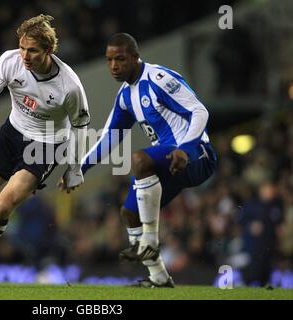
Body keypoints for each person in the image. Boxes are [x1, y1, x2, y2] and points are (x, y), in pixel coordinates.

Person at [0, 14, 90, 287]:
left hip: (46, 145)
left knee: (3, 204)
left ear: (48, 50)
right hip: (11, 134)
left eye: (32, 50)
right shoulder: (9, 62)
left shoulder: (69, 86)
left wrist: (75, 168)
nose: (25, 55)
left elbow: (81, 126)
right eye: (22, 47)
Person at [62, 33, 217, 287]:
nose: (114, 66)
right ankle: (158, 278)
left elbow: (200, 111)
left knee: (139, 160)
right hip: (171, 165)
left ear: (135, 57)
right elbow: (110, 139)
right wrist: (80, 168)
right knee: (129, 213)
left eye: (120, 59)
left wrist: (186, 149)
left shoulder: (159, 79)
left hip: (197, 155)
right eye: (109, 60)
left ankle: (150, 241)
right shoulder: (125, 96)